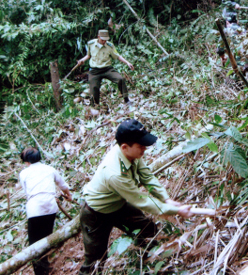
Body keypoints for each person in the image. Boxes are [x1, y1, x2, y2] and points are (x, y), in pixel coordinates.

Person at [78, 119, 193, 274]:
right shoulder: (114, 173)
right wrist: (175, 210)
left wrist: (165, 198)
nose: (144, 149)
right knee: (96, 260)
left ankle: (146, 262)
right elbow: (141, 200)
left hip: (118, 205)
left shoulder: (132, 155)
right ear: (125, 147)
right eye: (141, 146)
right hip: (96, 214)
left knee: (147, 229)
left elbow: (147, 177)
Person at [19, 147, 72, 275]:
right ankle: (46, 265)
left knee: (34, 243)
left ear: (27, 161)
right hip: (50, 208)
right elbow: (63, 185)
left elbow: (27, 193)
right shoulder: (50, 169)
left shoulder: (24, 173)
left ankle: (40, 271)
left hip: (35, 210)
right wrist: (69, 195)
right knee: (46, 237)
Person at [76, 29, 134, 106]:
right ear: (98, 37)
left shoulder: (110, 46)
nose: (104, 42)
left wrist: (127, 62)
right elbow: (89, 55)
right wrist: (82, 60)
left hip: (107, 69)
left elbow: (117, 56)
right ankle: (95, 106)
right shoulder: (91, 44)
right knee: (94, 88)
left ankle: (126, 100)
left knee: (120, 79)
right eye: (102, 40)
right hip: (94, 71)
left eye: (105, 40)